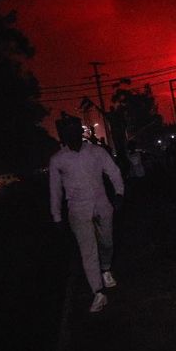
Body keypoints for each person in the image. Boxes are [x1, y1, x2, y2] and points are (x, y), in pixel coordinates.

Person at [50, 114, 124, 313]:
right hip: (78, 210)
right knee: (88, 250)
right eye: (66, 131)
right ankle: (98, 292)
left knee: (107, 242)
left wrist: (119, 193)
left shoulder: (96, 152)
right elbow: (55, 190)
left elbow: (114, 172)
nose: (71, 134)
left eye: (74, 129)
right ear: (62, 135)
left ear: (80, 131)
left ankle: (106, 268)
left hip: (102, 204)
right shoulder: (58, 160)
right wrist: (57, 216)